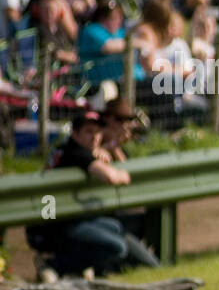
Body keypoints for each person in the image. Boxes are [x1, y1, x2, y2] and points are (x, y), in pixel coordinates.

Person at [24, 111, 160, 280]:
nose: (95, 137)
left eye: (98, 132)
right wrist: (122, 174)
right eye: (89, 131)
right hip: (52, 227)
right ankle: (55, 265)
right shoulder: (75, 152)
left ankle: (81, 266)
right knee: (118, 247)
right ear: (75, 133)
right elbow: (112, 177)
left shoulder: (65, 148)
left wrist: (103, 151)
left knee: (115, 227)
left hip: (60, 218)